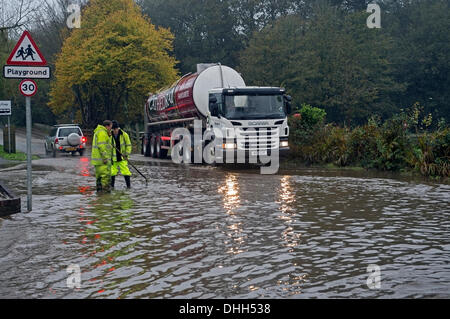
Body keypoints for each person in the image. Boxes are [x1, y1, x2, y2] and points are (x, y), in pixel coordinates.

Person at [91, 120, 113, 193]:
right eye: (110, 127)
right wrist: (105, 158)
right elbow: (102, 146)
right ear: (107, 126)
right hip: (102, 161)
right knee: (105, 178)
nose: (111, 129)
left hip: (97, 161)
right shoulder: (102, 133)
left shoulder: (99, 132)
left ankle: (99, 195)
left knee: (99, 178)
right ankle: (105, 196)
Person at [110, 121, 132, 189]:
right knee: (112, 172)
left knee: (126, 171)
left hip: (122, 157)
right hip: (113, 159)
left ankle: (128, 186)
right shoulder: (109, 135)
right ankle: (112, 186)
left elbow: (128, 145)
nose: (114, 131)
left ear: (118, 128)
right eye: (113, 129)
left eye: (115, 129)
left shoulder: (124, 135)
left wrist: (126, 154)